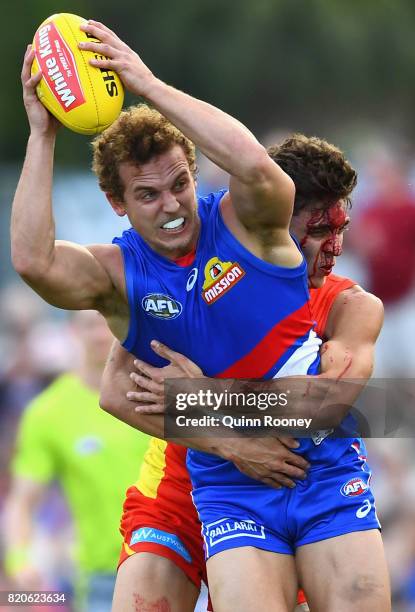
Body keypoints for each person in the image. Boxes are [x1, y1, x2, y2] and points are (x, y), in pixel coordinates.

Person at [101, 136, 390, 612]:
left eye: (342, 228)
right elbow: (114, 390)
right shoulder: (197, 274)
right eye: (319, 229)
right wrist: (229, 442)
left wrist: (201, 397)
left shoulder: (347, 303)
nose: (336, 246)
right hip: (179, 481)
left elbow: (325, 408)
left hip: (284, 479)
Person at [2, 311, 151, 611]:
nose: (99, 335)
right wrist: (20, 559)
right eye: (89, 325)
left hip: (182, 563)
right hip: (103, 578)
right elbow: (23, 501)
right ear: (72, 331)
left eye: (108, 322)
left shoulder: (155, 390)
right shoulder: (47, 413)